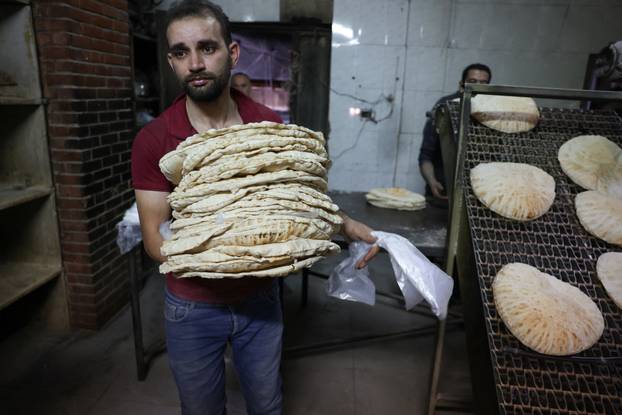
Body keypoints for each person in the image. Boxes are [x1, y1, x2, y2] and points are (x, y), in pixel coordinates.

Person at [131, 1, 380, 414]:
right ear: (171, 61)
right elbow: (156, 239)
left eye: (207, 48)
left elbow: (292, 201)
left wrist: (346, 224)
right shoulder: (155, 140)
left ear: (231, 54)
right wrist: (224, 259)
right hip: (192, 305)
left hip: (260, 300)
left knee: (266, 405)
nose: (194, 63)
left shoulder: (268, 126)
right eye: (180, 52)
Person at [418, 63, 491, 204]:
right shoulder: (445, 108)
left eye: (483, 83)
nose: (477, 87)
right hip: (442, 191)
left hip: (478, 194)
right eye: (472, 82)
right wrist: (432, 181)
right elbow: (426, 154)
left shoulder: (493, 114)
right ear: (461, 84)